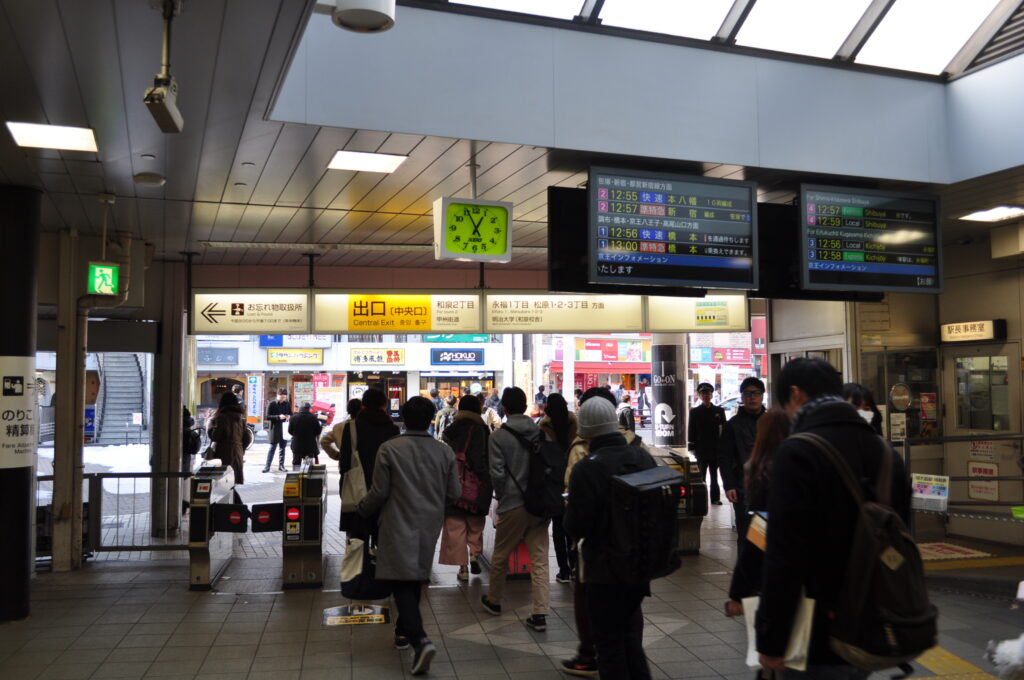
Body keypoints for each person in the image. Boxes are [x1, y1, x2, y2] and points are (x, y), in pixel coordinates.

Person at [756, 358, 911, 677]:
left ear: (796, 394)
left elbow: (784, 555)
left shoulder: (797, 453)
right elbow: (902, 533)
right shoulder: (885, 452)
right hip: (872, 619)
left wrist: (772, 639)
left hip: (816, 627)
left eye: (786, 405)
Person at [357, 396, 460, 676]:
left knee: (400, 581)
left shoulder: (390, 448)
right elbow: (454, 493)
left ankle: (420, 639)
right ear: (430, 419)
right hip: (429, 523)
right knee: (414, 577)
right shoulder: (444, 452)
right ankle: (403, 632)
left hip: (396, 521)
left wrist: (363, 509)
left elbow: (379, 491)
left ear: (404, 417)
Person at [564, 397, 657, 680]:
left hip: (604, 569)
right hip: (640, 564)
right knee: (629, 637)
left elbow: (576, 525)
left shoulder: (587, 468)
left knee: (608, 644)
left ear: (585, 430)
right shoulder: (642, 457)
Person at [481, 386, 550, 632]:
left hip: (513, 504)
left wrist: (502, 496)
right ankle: (540, 613)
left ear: (505, 408)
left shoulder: (498, 437)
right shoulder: (540, 433)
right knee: (539, 560)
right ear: (525, 406)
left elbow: (497, 473)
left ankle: (494, 600)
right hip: (539, 504)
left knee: (501, 554)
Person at [723, 408, 789, 617]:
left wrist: (738, 594)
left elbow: (758, 539)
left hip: (779, 574)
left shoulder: (765, 473)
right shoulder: (805, 463)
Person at [439, 395, 493, 581]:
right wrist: (485, 478)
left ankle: (462, 568)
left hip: (454, 484)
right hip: (475, 485)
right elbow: (481, 459)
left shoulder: (452, 428)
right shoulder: (481, 429)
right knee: (475, 524)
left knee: (455, 527)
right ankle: (474, 554)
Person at [338, 388, 400, 539]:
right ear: (384, 404)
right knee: (382, 535)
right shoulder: (392, 428)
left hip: (357, 488)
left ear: (363, 404)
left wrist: (344, 483)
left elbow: (345, 461)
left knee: (357, 538)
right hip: (384, 489)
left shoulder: (352, 427)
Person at [719, 376, 766, 539]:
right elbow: (724, 458)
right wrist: (729, 485)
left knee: (763, 537)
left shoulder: (771, 422)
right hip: (742, 488)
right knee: (746, 535)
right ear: (742, 397)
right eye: (747, 393)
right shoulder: (732, 425)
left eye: (756, 393)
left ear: (762, 395)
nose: (752, 397)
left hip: (768, 488)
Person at [537, 392, 576, 584]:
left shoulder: (543, 427)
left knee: (558, 528)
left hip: (553, 483)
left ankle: (564, 571)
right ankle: (575, 566)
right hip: (574, 482)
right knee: (573, 528)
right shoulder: (575, 425)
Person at [688, 382, 726, 506]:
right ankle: (701, 500)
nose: (706, 396)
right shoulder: (695, 412)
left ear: (711, 395)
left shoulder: (719, 411)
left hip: (715, 449)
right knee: (701, 477)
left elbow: (724, 429)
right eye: (703, 394)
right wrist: (691, 446)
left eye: (708, 393)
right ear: (700, 396)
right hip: (701, 449)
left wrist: (724, 447)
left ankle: (715, 498)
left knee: (714, 477)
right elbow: (691, 429)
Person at [207, 392, 248, 484]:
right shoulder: (240, 417)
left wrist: (210, 427)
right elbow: (247, 437)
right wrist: (241, 449)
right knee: (232, 483)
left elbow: (215, 436)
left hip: (224, 453)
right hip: (238, 452)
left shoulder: (222, 416)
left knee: (224, 484)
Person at [263, 389, 291, 473]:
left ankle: (281, 466)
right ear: (277, 395)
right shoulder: (272, 404)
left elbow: (291, 413)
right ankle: (267, 466)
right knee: (272, 448)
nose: (283, 399)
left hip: (284, 428)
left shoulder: (287, 404)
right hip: (274, 428)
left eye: (284, 397)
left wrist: (289, 416)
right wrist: (278, 417)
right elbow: (267, 416)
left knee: (282, 448)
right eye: (281, 397)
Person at [288, 402, 323, 468]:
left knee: (296, 465)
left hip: (297, 445)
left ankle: (296, 474)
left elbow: (290, 431)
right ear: (309, 409)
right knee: (308, 467)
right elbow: (318, 431)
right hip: (310, 446)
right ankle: (306, 474)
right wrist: (311, 435)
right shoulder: (313, 418)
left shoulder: (293, 418)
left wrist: (296, 435)